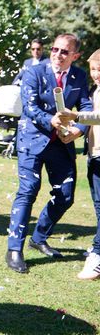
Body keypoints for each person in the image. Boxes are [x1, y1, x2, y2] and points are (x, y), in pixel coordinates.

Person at [6, 33, 92, 274]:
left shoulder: (79, 76)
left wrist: (79, 129)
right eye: (54, 49)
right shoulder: (34, 71)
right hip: (31, 140)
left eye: (64, 52)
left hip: (61, 143)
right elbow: (29, 106)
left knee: (65, 195)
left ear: (75, 56)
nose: (57, 55)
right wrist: (50, 119)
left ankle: (39, 237)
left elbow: (85, 106)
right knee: (28, 191)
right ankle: (14, 248)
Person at [56, 48, 100, 280]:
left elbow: (98, 116)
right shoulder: (95, 90)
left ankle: (97, 257)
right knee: (98, 205)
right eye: (93, 69)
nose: (96, 74)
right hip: (94, 154)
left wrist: (76, 117)